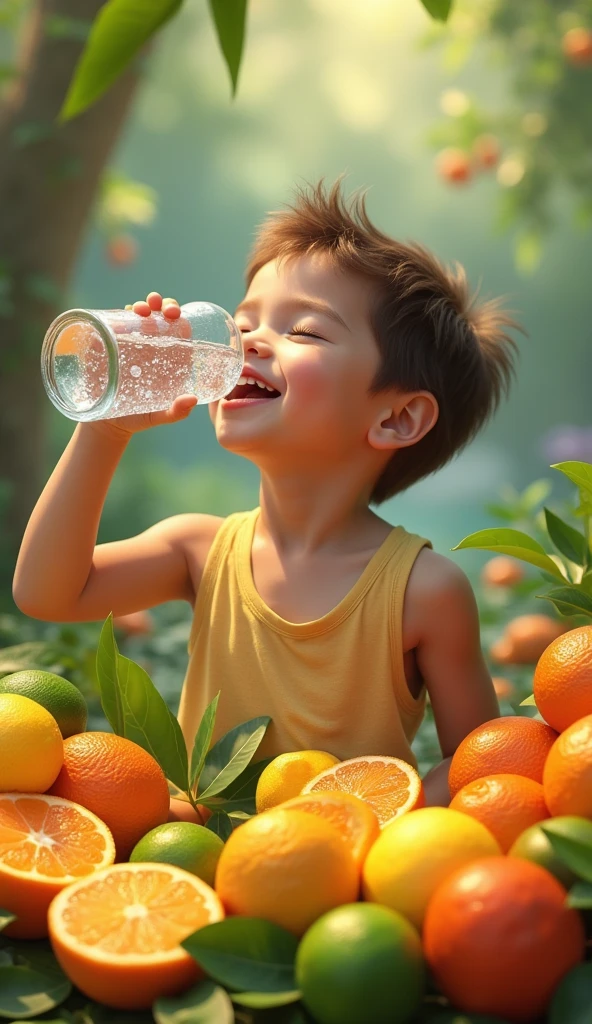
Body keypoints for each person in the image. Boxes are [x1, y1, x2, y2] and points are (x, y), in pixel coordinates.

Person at [13, 180, 519, 807]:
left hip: (346, 880)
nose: (247, 341)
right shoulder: (197, 549)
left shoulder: (424, 591)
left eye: (303, 331)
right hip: (195, 856)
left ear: (396, 419)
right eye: (244, 321)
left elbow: (480, 763)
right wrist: (105, 429)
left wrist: (373, 816)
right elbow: (46, 593)